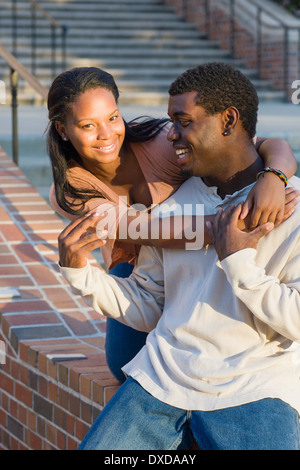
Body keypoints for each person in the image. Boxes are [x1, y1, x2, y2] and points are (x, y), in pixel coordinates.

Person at [58, 62, 300, 450]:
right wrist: (80, 273)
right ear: (64, 131)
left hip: (253, 386)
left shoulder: (291, 207)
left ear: (228, 121)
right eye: (88, 125)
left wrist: (276, 177)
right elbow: (150, 302)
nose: (174, 134)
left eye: (184, 121)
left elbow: (271, 146)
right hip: (161, 381)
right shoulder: (148, 201)